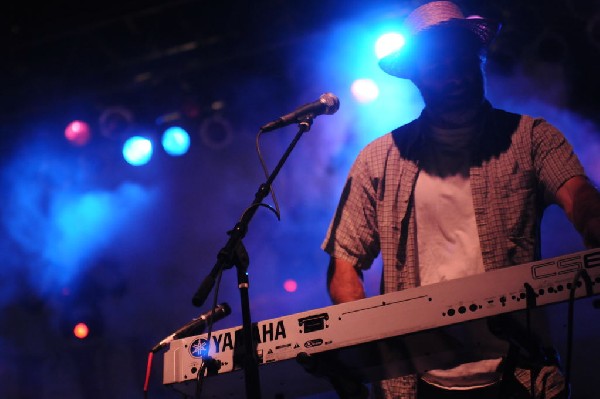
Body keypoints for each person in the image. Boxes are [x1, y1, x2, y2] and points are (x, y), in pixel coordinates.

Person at [322, 1, 600, 398]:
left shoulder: (531, 137)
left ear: (478, 58)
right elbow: (344, 265)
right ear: (416, 75)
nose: (452, 69)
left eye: (460, 55)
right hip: (415, 383)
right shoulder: (378, 159)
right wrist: (371, 344)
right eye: (437, 61)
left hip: (521, 374)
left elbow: (580, 196)